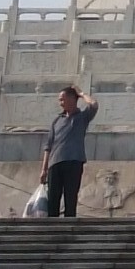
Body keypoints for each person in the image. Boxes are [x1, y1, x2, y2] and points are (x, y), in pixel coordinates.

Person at [39, 85, 98, 220]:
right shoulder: (56, 121)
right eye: (59, 100)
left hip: (74, 161)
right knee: (53, 199)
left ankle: (69, 228)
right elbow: (48, 146)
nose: (61, 103)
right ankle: (51, 231)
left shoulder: (82, 117)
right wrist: (44, 169)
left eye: (63, 99)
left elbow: (94, 104)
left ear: (72, 99)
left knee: (70, 197)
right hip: (55, 162)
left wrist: (81, 94)